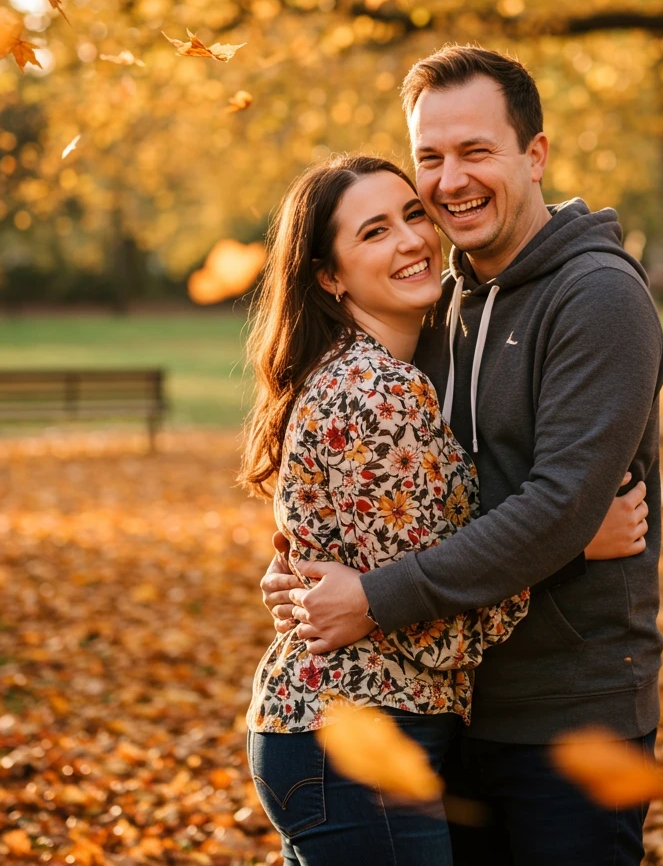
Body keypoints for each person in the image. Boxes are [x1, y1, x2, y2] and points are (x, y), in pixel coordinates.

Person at [261, 46, 663, 865]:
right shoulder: (440, 305)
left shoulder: (598, 297)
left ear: (535, 154)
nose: (450, 183)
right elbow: (407, 493)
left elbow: (559, 504)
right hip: (450, 705)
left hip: (569, 713)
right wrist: (309, 567)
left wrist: (373, 595)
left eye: (476, 151)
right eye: (431, 159)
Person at [239, 153, 532, 866]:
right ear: (329, 276)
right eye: (373, 232)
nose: (410, 240)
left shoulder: (375, 372)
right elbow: (431, 630)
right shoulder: (376, 391)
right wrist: (576, 541)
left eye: (412, 215)